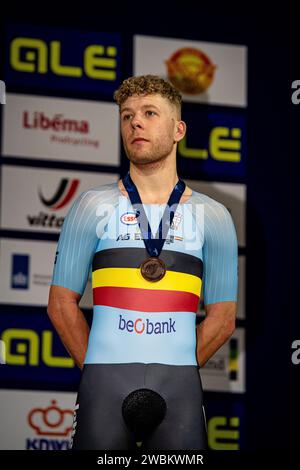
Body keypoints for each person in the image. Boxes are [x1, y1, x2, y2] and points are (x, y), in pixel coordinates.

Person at [47, 74, 238, 450]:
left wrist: (178, 366)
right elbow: (60, 305)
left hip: (178, 392)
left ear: (178, 129)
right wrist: (100, 370)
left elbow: (223, 318)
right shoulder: (92, 206)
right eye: (127, 115)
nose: (135, 122)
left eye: (150, 113)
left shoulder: (213, 216)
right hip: (104, 388)